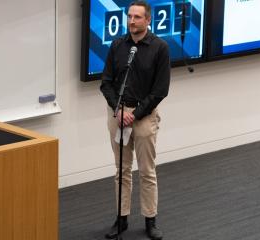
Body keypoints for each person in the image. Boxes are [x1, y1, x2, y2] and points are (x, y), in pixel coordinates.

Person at [100, 0, 170, 239]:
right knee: (122, 170)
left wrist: (135, 114)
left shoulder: (160, 48)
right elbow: (106, 83)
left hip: (143, 118)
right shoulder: (118, 45)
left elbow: (160, 90)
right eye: (129, 16)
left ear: (148, 20)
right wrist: (118, 110)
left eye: (137, 17)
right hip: (118, 116)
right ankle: (121, 219)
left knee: (147, 171)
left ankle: (150, 220)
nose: (131, 21)